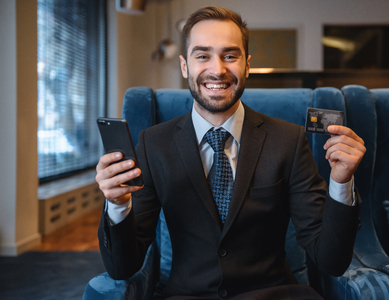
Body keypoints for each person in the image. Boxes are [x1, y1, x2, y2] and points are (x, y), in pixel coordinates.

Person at [95, 5, 366, 300]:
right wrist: (117, 205)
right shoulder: (153, 144)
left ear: (247, 65)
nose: (217, 69)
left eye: (230, 55)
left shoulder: (288, 140)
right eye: (203, 56)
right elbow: (123, 268)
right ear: (185, 66)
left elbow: (331, 261)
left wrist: (341, 183)